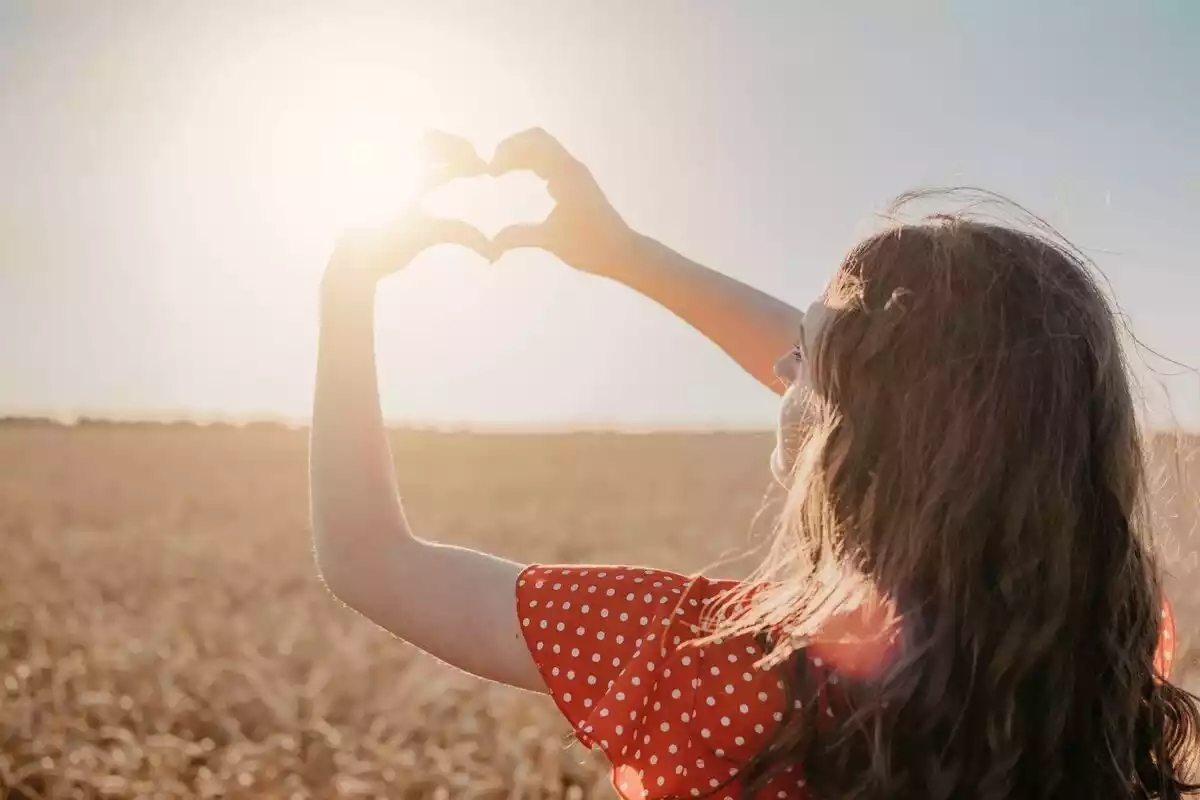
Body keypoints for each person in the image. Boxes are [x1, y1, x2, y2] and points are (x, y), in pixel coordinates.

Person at [309, 128, 1197, 799]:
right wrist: (625, 255)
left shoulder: (705, 659)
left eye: (804, 355)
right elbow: (930, 401)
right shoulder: (1109, 641)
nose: (779, 362)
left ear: (858, 433)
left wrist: (347, 288)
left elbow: (368, 558)